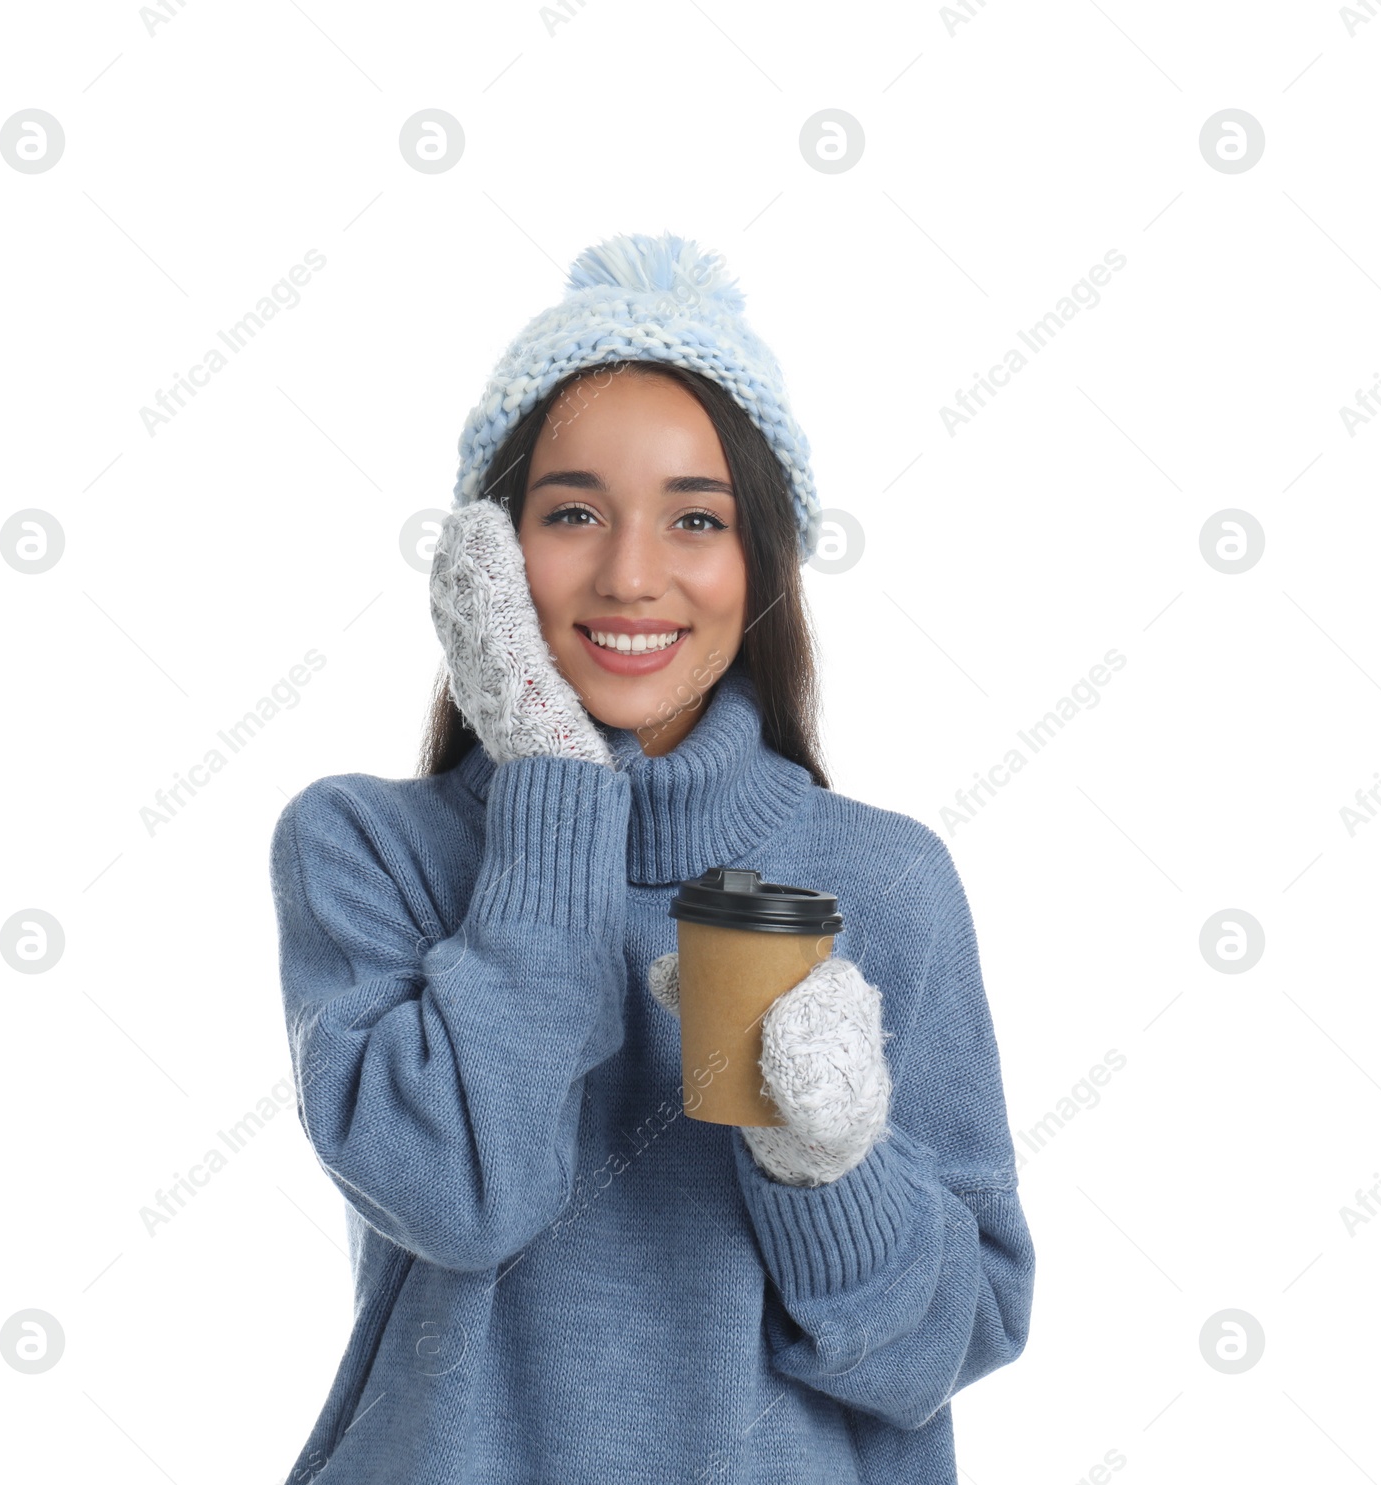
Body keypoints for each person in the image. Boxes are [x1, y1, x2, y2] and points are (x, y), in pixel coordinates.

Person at [268, 231, 1035, 1484]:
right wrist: (553, 783)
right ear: (491, 559)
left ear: (761, 563)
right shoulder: (365, 852)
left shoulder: (887, 882)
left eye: (696, 518)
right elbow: (464, 1194)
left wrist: (823, 1159)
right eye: (572, 513)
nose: (632, 575)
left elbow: (947, 1346)